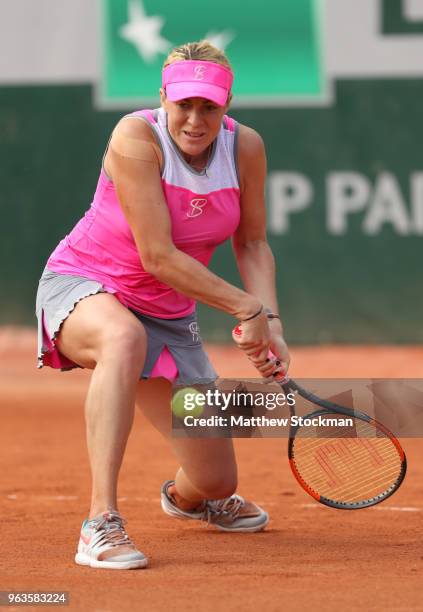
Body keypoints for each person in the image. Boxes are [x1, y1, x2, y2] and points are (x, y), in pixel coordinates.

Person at [36, 40, 290, 570]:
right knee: (123, 337)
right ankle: (99, 523)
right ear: (163, 98)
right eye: (184, 105)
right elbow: (157, 256)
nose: (195, 120)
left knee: (216, 480)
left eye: (209, 107)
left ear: (227, 105)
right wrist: (246, 309)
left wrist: (273, 321)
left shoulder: (246, 147)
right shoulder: (135, 137)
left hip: (170, 315)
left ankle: (187, 501)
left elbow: (252, 243)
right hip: (86, 283)